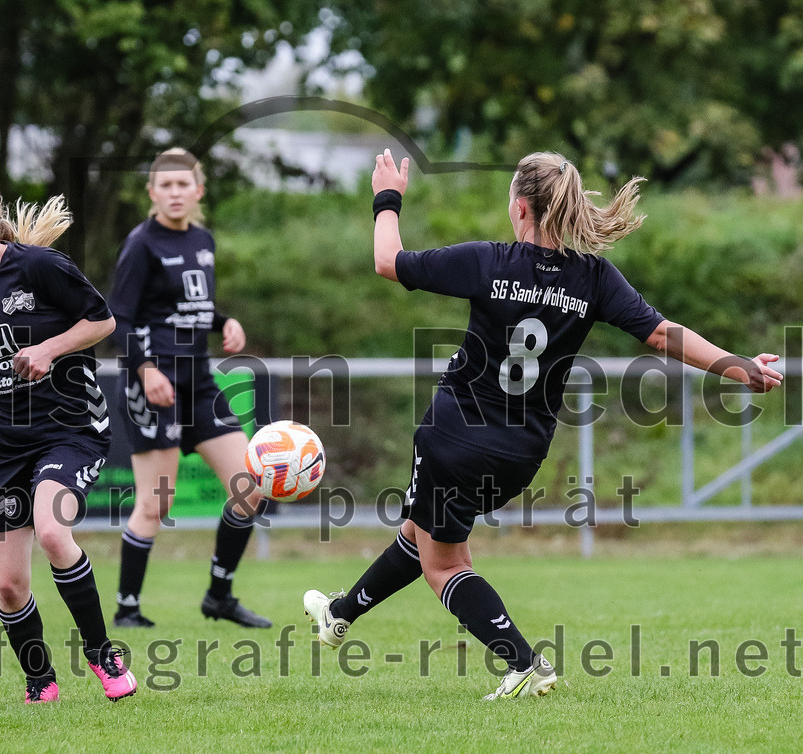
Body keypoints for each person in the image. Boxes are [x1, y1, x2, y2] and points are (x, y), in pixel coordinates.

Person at [305, 150, 783, 700]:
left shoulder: (488, 262)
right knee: (420, 529)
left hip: (455, 433)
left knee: (446, 565)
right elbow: (661, 334)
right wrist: (736, 365)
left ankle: (524, 661)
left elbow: (389, 261)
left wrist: (387, 198)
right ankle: (338, 617)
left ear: (521, 208)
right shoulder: (593, 278)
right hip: (521, 453)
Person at [0, 172, 137, 704]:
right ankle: (40, 681)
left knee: (50, 528)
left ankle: (101, 652)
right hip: (5, 443)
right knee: (8, 584)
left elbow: (102, 321)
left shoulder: (39, 266)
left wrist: (49, 349)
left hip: (71, 428)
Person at [108, 148, 271, 629]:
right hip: (152, 385)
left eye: (184, 185)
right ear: (152, 193)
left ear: (198, 191)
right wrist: (145, 370)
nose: (175, 193)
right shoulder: (141, 244)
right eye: (166, 185)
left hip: (198, 382)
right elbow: (118, 318)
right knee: (155, 502)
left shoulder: (202, 239)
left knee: (250, 485)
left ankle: (219, 596)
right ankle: (127, 609)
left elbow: (190, 306)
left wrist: (225, 321)